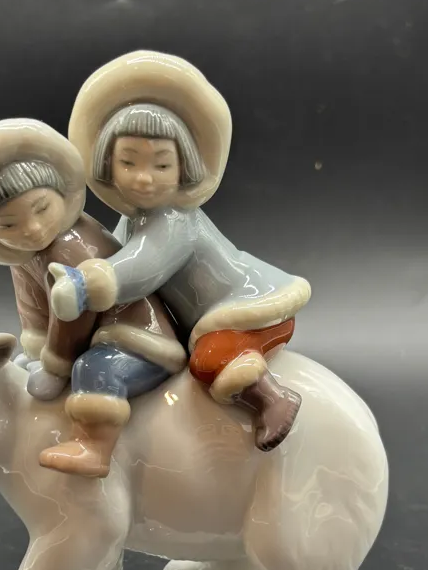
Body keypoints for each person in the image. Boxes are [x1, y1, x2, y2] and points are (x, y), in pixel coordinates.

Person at [50, 51, 311, 452]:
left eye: (161, 166)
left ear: (183, 168)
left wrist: (85, 285)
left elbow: (141, 267)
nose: (143, 178)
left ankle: (272, 399)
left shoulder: (175, 221)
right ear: (106, 164)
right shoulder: (135, 219)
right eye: (128, 162)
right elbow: (116, 249)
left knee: (210, 360)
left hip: (246, 310)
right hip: (206, 317)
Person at [0, 118, 185, 477]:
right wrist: (36, 348)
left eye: (42, 208)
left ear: (61, 196)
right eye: (8, 225)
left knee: (95, 369)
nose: (32, 229)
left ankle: (94, 447)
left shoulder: (69, 247)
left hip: (137, 339)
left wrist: (56, 366)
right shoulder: (24, 256)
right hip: (87, 339)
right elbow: (32, 308)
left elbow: (74, 317)